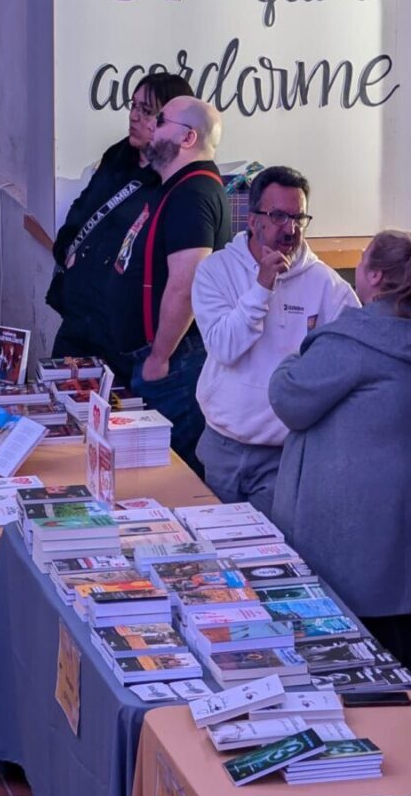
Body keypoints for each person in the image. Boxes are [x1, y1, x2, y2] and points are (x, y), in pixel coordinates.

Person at [268, 230, 411, 691]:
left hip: (358, 527)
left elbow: (289, 398)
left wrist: (295, 352)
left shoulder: (354, 339)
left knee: (372, 642)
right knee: (395, 626)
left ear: (374, 275)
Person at [192, 165, 359, 518]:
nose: (291, 228)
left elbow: (352, 360)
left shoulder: (327, 286)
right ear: (253, 221)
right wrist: (261, 288)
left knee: (269, 560)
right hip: (223, 444)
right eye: (279, 216)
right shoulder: (215, 271)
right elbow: (224, 347)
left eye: (299, 217)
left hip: (285, 454)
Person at [108, 96, 230, 475]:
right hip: (164, 358)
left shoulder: (193, 194)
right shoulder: (178, 188)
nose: (150, 126)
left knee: (166, 474)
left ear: (188, 138)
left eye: (160, 120)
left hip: (176, 363)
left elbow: (185, 282)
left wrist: (159, 358)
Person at [48, 72, 192, 361]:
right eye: (133, 105)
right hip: (78, 311)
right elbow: (84, 206)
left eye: (147, 111)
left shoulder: (175, 180)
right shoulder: (118, 154)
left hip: (121, 327)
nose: (134, 117)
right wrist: (65, 250)